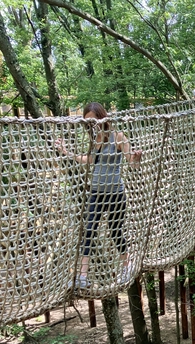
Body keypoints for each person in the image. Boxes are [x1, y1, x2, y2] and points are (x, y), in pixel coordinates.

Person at [55, 102, 142, 288]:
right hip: (96, 192)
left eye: (93, 121)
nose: (91, 125)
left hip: (115, 194)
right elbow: (90, 160)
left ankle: (127, 266)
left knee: (116, 232)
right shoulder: (96, 140)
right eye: (87, 122)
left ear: (103, 118)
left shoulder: (118, 137)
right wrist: (66, 152)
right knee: (89, 231)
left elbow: (132, 164)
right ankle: (83, 277)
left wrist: (136, 159)